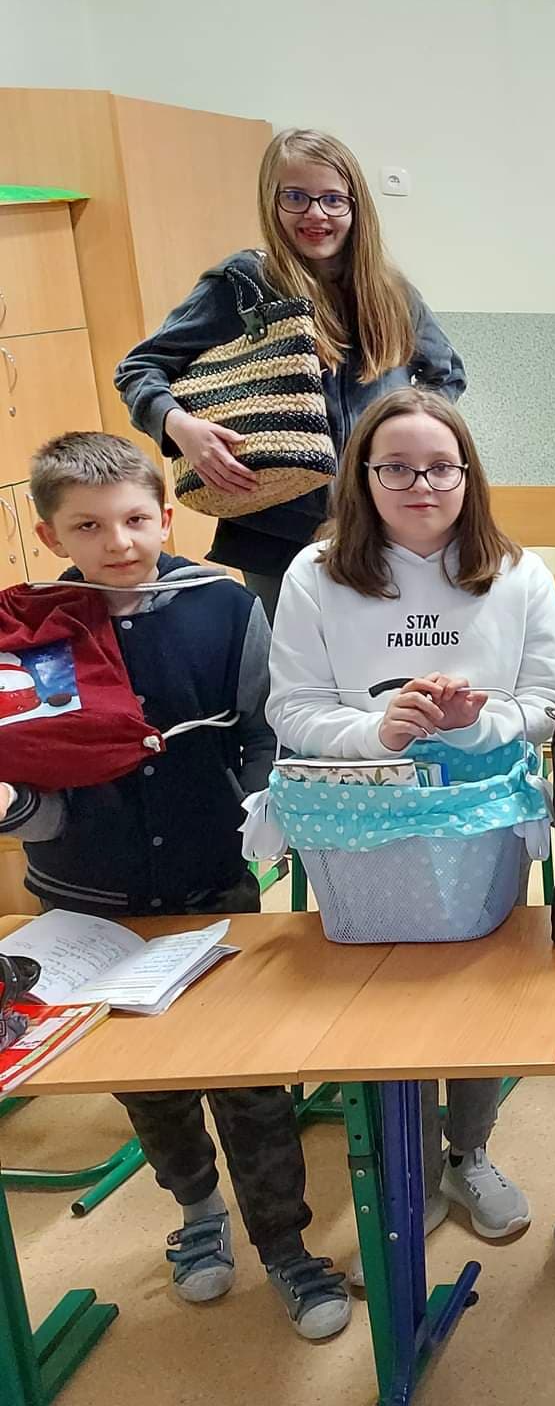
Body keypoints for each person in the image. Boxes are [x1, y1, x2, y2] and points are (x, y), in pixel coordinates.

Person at [0, 432, 350, 1341]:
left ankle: (286, 1245)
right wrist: (16, 810)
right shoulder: (35, 631)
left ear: (166, 516)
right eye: (88, 526)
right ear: (50, 534)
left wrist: (260, 814)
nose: (117, 542)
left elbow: (265, 728)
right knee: (147, 1084)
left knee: (249, 1079)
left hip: (211, 887)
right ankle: (197, 1215)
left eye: (134, 519)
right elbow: (34, 771)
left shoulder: (223, 606)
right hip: (87, 896)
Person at [267, 389, 555, 1264]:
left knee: (478, 984)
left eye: (441, 467)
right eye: (396, 468)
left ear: (468, 474)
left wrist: (475, 723)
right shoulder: (316, 572)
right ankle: (409, 1167)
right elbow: (292, 707)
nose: (422, 485)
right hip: (361, 810)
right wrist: (380, 729)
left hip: (480, 810)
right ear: (363, 476)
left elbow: (548, 703)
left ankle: (469, 1152)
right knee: (381, 990)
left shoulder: (517, 572)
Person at [115, 128, 465, 617]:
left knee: (389, 649)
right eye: (296, 197)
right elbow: (141, 368)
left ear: (356, 207)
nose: (315, 214)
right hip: (277, 528)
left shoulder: (391, 292)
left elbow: (446, 376)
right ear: (271, 201)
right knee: (291, 658)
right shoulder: (244, 284)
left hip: (383, 520)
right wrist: (181, 429)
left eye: (332, 200)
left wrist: (410, 447)